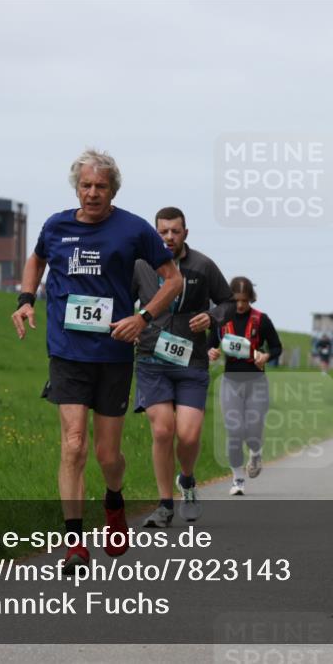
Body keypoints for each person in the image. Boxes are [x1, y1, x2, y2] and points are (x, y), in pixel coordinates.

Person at [11, 149, 182, 572]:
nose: (92, 193)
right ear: (76, 187)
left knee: (108, 455)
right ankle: (74, 544)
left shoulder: (134, 229)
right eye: (86, 186)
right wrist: (26, 299)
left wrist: (141, 318)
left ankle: (114, 502)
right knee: (73, 445)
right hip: (67, 352)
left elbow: (173, 280)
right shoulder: (56, 226)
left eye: (100, 187)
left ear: (113, 190)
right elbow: (36, 258)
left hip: (113, 354)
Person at [132, 207, 234, 528]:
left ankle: (187, 480)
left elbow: (228, 300)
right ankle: (164, 506)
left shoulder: (202, 266)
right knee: (163, 430)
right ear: (155, 233)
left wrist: (213, 317)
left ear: (185, 233)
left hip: (192, 360)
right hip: (151, 359)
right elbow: (122, 298)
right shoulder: (141, 266)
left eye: (175, 231)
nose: (169, 238)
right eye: (163, 232)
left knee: (188, 436)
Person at [208, 277, 283, 496]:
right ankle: (238, 479)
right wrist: (210, 352)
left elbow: (277, 347)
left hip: (256, 381)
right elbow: (209, 344)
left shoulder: (261, 320)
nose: (240, 305)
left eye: (244, 300)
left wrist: (266, 355)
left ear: (251, 298)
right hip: (230, 382)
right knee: (234, 431)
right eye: (236, 300)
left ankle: (256, 452)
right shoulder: (221, 319)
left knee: (252, 428)